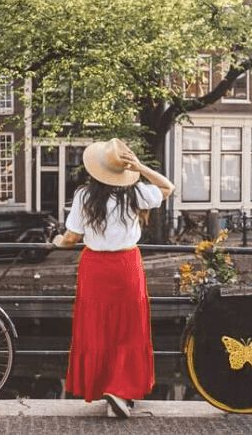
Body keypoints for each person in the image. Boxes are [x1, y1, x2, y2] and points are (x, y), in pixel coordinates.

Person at [52, 137, 174, 419]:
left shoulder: (84, 196)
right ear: (124, 170)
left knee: (97, 327)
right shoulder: (136, 193)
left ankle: (107, 386)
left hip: (95, 268)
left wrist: (59, 241)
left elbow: (72, 237)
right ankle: (119, 391)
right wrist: (141, 167)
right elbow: (168, 188)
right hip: (127, 266)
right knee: (129, 328)